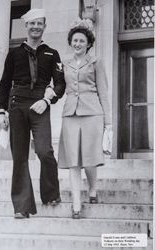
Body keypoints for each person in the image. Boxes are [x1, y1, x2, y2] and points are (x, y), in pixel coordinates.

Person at [0, 9, 66, 219]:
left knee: (45, 151)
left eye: (40, 23)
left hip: (40, 104)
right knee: (19, 156)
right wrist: (1, 111)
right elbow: (4, 83)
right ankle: (22, 206)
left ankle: (51, 193)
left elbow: (61, 84)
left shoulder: (52, 53)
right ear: (26, 26)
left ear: (44, 26)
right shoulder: (14, 54)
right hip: (17, 103)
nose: (35, 27)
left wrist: (47, 100)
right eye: (32, 23)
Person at [58, 18, 112, 219]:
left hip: (92, 113)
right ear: (70, 42)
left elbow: (103, 92)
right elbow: (59, 87)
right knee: (73, 161)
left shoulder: (97, 62)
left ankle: (92, 189)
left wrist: (108, 123)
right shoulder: (64, 63)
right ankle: (76, 205)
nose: (77, 44)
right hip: (70, 114)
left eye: (81, 41)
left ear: (88, 43)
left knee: (89, 159)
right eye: (75, 40)